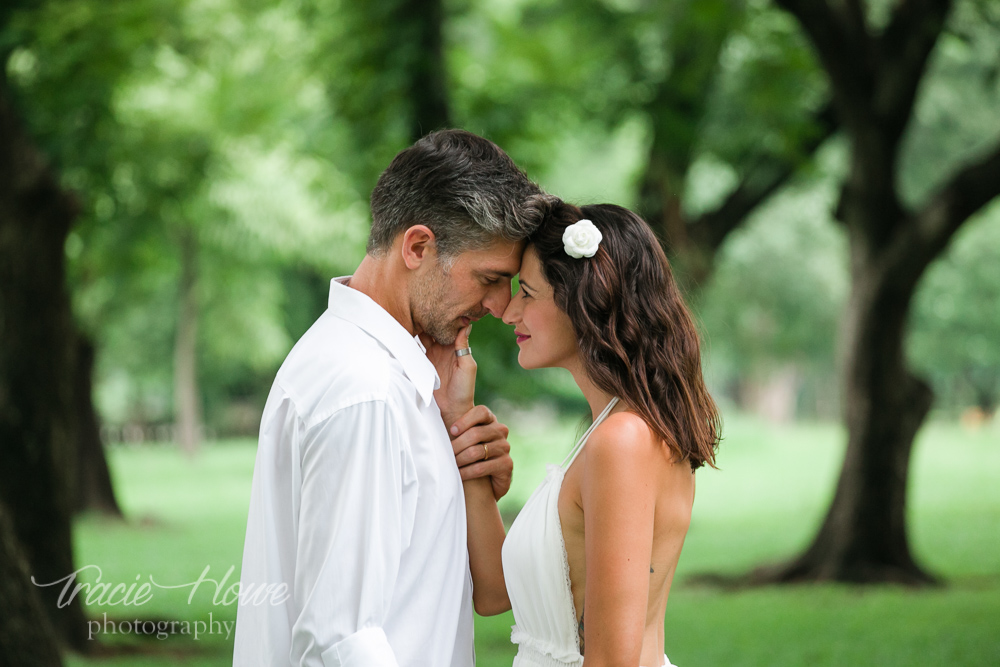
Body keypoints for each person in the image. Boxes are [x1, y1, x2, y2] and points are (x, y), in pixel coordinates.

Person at [233, 129, 546, 667]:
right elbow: (341, 638)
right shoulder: (365, 390)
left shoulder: (370, 368)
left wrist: (457, 440)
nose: (500, 305)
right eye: (490, 278)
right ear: (418, 246)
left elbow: (442, 587)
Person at [435, 200, 721, 667]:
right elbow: (493, 594)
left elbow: (612, 661)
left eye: (527, 292)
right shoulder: (609, 431)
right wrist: (463, 429)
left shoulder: (622, 441)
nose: (509, 313)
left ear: (584, 300)